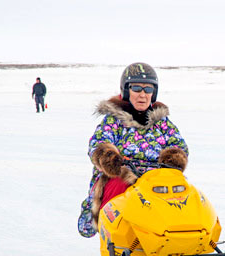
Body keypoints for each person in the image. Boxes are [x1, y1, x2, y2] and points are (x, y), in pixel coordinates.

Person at [78, 62, 188, 238]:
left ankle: (184, 232)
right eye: (136, 88)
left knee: (182, 190)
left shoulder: (162, 122)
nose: (142, 95)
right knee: (119, 185)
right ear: (127, 91)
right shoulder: (114, 120)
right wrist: (110, 159)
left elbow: (177, 144)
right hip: (125, 174)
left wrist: (174, 160)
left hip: (157, 176)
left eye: (148, 89)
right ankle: (118, 235)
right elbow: (99, 143)